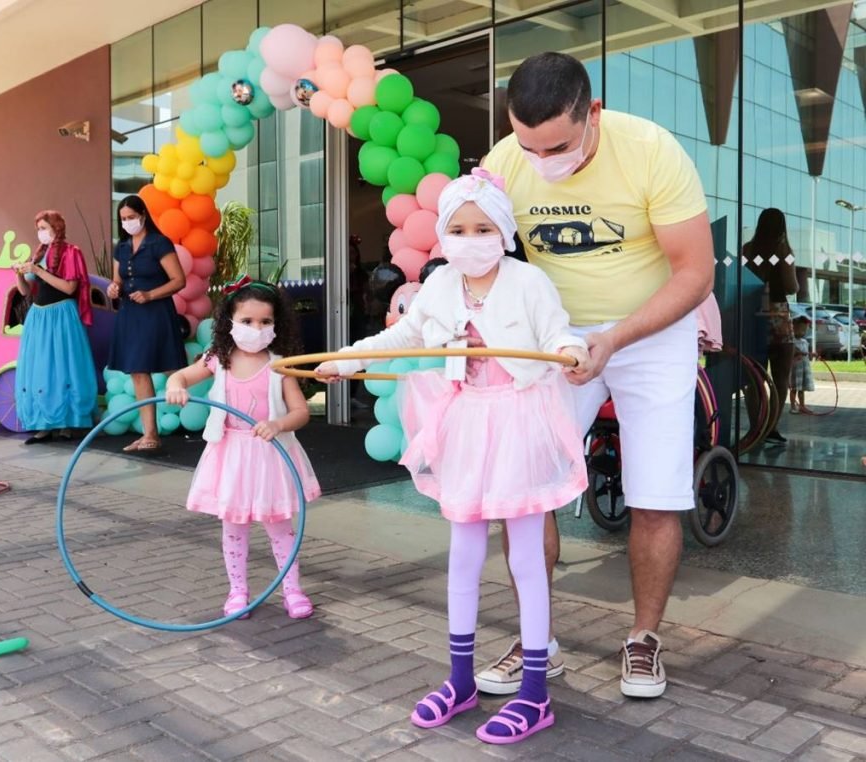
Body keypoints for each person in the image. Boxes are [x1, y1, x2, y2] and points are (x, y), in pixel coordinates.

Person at [317, 169, 591, 745]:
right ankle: (461, 679)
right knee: (463, 554)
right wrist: (343, 359)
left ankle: (535, 693)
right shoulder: (441, 286)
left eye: (483, 227)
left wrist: (569, 352)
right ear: (444, 235)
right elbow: (407, 337)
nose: (472, 238)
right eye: (459, 228)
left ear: (505, 231)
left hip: (517, 420)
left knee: (524, 556)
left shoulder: (527, 282)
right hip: (465, 421)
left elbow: (560, 335)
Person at [479, 52, 714, 700]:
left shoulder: (651, 152)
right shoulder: (504, 162)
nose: (539, 160)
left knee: (655, 493)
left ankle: (642, 640)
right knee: (527, 491)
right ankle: (537, 642)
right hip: (554, 334)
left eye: (555, 145)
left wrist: (613, 338)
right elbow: (473, 251)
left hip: (650, 329)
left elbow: (695, 273)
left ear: (594, 115)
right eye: (527, 144)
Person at [165, 277, 320, 619]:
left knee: (280, 526)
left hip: (270, 455)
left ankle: (292, 589)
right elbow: (181, 377)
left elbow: (300, 412)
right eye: (247, 321)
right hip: (230, 456)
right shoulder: (217, 359)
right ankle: (238, 591)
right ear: (229, 322)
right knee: (234, 528)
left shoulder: (279, 365)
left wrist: (278, 424)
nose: (256, 328)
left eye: (265, 322)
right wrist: (175, 385)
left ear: (276, 325)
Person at [107, 195, 187, 452]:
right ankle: (150, 434)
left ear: (143, 214)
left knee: (168, 368)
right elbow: (117, 280)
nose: (128, 222)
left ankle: (216, 414)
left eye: (131, 217)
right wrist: (113, 288)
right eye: (123, 219)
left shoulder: (158, 243)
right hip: (130, 313)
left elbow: (179, 280)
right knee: (138, 371)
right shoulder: (122, 246)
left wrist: (150, 294)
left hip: (155, 312)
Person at [13, 210, 98, 444]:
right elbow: (26, 291)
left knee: (63, 366)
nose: (40, 232)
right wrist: (19, 275)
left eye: (44, 228)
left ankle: (67, 424)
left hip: (61, 314)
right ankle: (43, 425)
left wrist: (38, 270)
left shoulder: (72, 252)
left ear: (57, 228)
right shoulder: (39, 253)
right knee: (41, 369)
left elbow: (70, 288)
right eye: (38, 228)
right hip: (39, 317)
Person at [744, 208, 798, 442]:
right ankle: (771, 428)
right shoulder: (783, 250)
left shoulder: (748, 249)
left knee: (753, 376)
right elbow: (791, 286)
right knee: (780, 377)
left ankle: (756, 427)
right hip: (777, 316)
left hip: (753, 314)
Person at [790, 315, 814, 414]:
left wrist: (811, 355)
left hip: (804, 368)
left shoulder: (805, 342)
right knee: (794, 387)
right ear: (793, 328)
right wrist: (798, 353)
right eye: (800, 330)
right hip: (796, 369)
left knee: (802, 388)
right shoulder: (792, 341)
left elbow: (808, 355)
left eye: (804, 330)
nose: (802, 333)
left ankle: (802, 405)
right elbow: (793, 352)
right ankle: (792, 406)